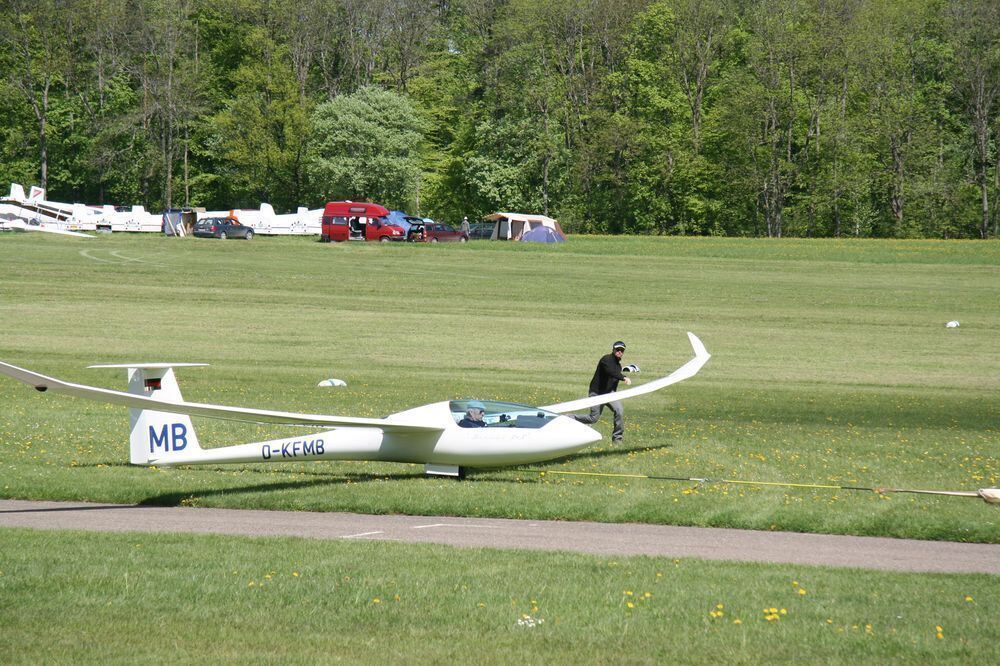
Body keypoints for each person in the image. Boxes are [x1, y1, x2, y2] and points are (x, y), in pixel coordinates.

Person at [570, 341, 631, 443]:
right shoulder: (606, 359)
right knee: (593, 418)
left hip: (609, 394)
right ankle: (570, 417)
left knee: (619, 411)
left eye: (622, 350)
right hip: (597, 393)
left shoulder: (618, 365)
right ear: (613, 349)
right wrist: (623, 377)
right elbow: (610, 371)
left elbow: (613, 380)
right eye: (618, 349)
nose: (619, 352)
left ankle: (617, 439)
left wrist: (614, 393)